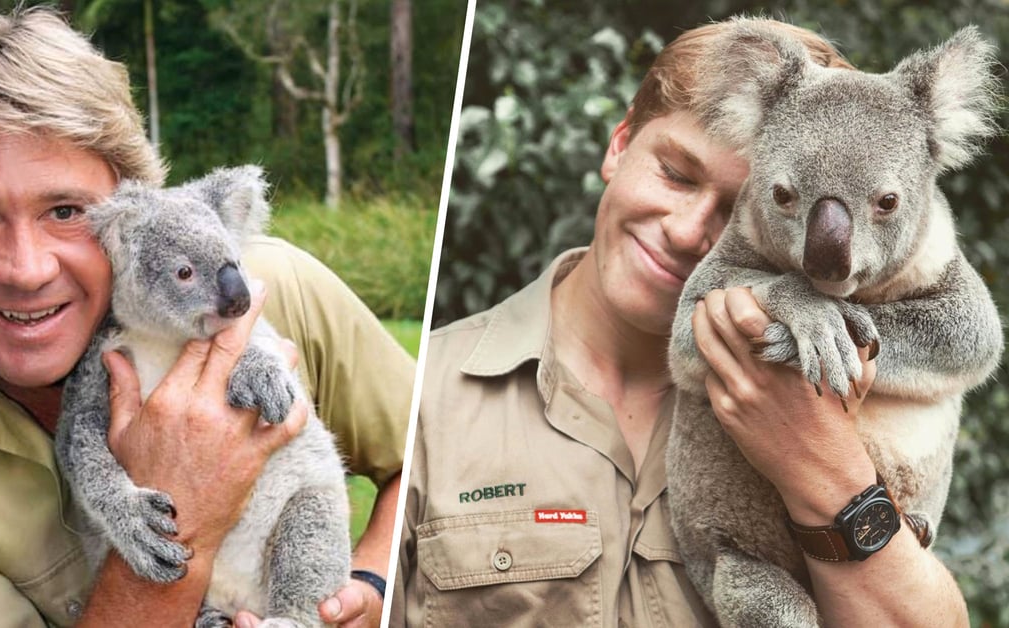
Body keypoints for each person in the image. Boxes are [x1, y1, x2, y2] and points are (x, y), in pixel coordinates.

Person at [0, 8, 410, 627]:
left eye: (66, 212)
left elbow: (428, 457)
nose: (25, 269)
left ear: (129, 214)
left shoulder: (272, 286)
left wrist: (371, 582)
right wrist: (189, 503)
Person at [392, 17, 971, 627]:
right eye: (675, 173)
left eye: (739, 206)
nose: (687, 231)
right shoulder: (428, 389)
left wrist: (826, 470)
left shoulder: (849, 383)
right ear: (619, 144)